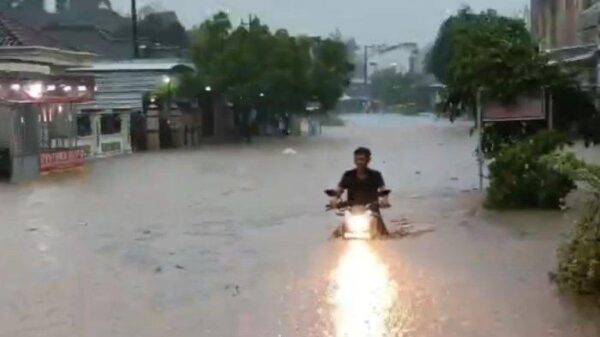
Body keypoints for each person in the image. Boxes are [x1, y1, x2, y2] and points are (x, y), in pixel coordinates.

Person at [332, 147, 390, 236]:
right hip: (352, 210)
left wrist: (384, 200)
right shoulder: (348, 175)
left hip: (372, 211)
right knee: (336, 235)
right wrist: (334, 200)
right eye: (357, 159)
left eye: (362, 159)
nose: (359, 162)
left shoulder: (376, 175)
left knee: (384, 235)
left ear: (368, 160)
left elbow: (384, 190)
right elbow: (338, 191)